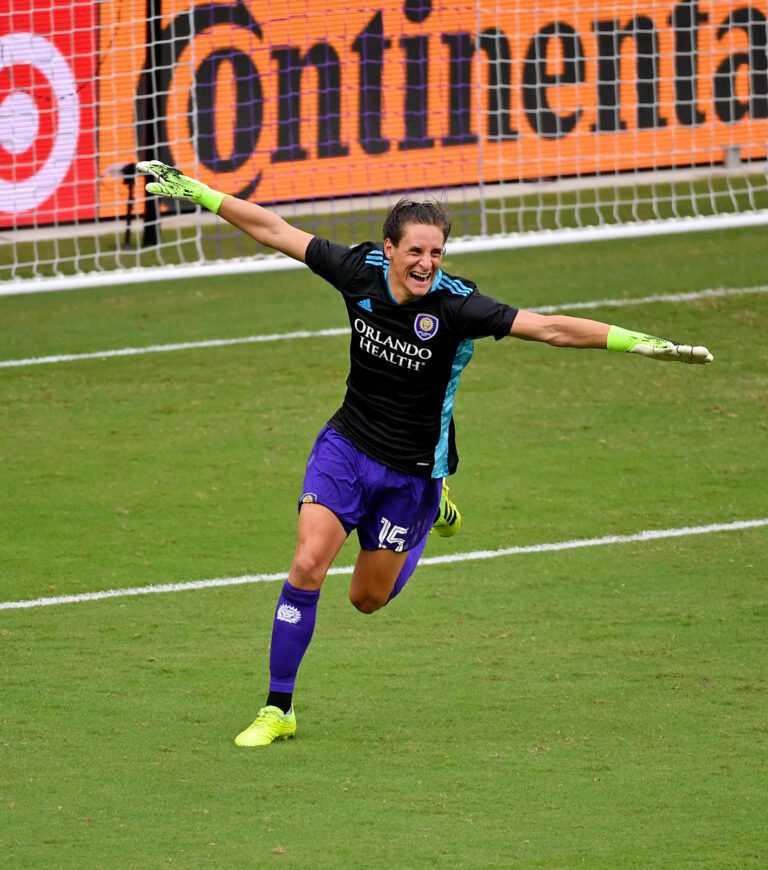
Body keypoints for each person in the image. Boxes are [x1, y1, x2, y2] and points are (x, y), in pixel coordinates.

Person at [138, 161, 713, 747]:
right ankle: (278, 707)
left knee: (366, 600)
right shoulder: (357, 272)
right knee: (309, 563)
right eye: (416, 250)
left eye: (436, 253)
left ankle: (433, 510)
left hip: (411, 473)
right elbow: (275, 231)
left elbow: (549, 329)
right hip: (347, 445)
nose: (426, 264)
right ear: (389, 248)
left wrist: (641, 344)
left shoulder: (457, 306)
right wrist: (202, 193)